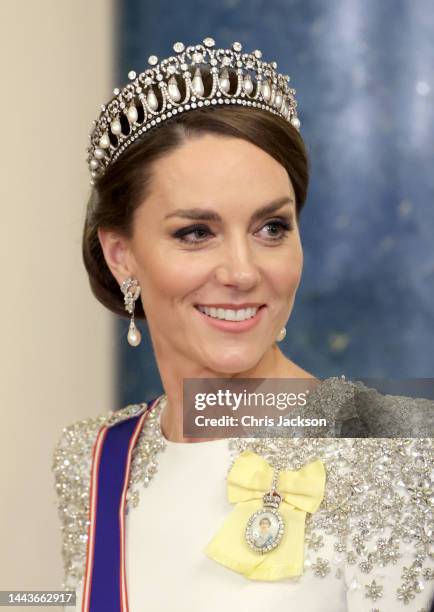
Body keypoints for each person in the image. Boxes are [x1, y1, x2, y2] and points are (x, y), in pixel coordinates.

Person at [52, 37, 434, 611]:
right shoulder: (94, 457)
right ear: (121, 254)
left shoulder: (391, 451)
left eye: (271, 228)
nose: (242, 271)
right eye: (195, 232)